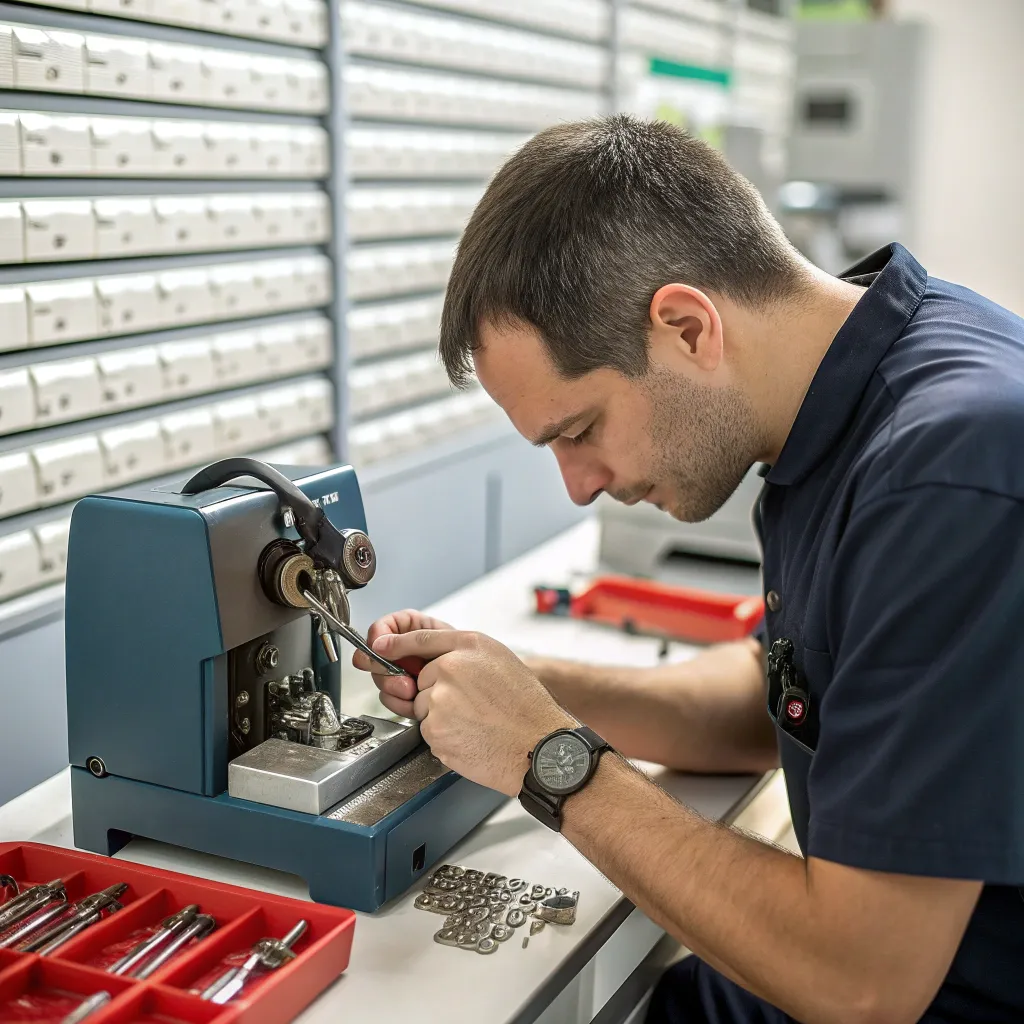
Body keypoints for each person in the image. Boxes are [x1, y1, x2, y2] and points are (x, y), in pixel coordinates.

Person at [351, 115, 1024, 1023]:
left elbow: (861, 983)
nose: (580, 486)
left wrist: (552, 761)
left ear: (685, 326)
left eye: (579, 430)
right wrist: (518, 691)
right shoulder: (858, 397)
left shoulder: (941, 473)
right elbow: (786, 699)